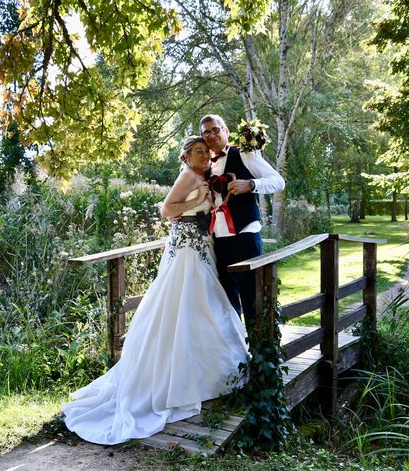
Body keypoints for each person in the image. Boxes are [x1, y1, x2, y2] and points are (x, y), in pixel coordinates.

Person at [62, 136, 248, 445]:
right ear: (186, 157)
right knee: (187, 301)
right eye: (197, 151)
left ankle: (209, 373)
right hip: (186, 248)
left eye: (205, 151)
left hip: (202, 245)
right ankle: (176, 379)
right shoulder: (189, 176)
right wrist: (191, 203)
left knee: (204, 304)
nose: (203, 155)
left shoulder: (205, 177)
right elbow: (166, 209)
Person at [199, 114, 285, 328]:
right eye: (206, 132)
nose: (211, 135)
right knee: (227, 304)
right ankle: (236, 356)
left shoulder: (245, 154)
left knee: (252, 300)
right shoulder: (205, 164)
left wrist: (251, 185)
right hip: (218, 240)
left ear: (226, 131)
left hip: (245, 235)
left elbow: (278, 181)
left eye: (215, 129)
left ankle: (260, 355)